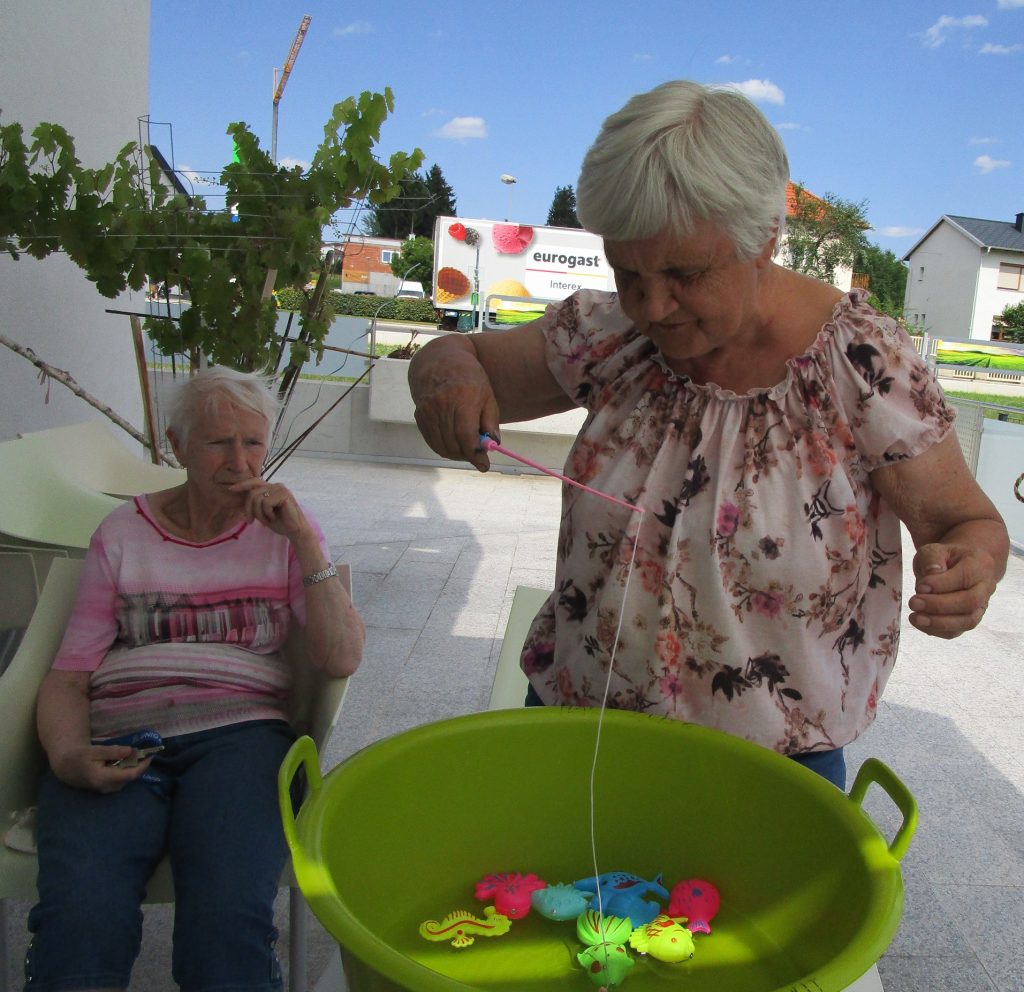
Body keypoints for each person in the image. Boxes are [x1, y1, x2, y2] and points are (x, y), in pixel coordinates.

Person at [409, 80, 1008, 790]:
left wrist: (970, 567)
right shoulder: (609, 333)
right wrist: (444, 376)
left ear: (765, 239)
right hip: (576, 735)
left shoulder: (863, 364)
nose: (653, 306)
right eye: (628, 271)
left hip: (771, 776)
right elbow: (458, 356)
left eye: (685, 273)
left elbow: (965, 522)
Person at [26, 366, 365, 992]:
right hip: (121, 733)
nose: (240, 462)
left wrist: (303, 543)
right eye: (218, 443)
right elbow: (70, 676)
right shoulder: (122, 533)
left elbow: (340, 657)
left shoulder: (285, 533)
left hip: (243, 736)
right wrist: (69, 755)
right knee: (80, 917)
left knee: (226, 920)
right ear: (177, 445)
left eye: (253, 443)